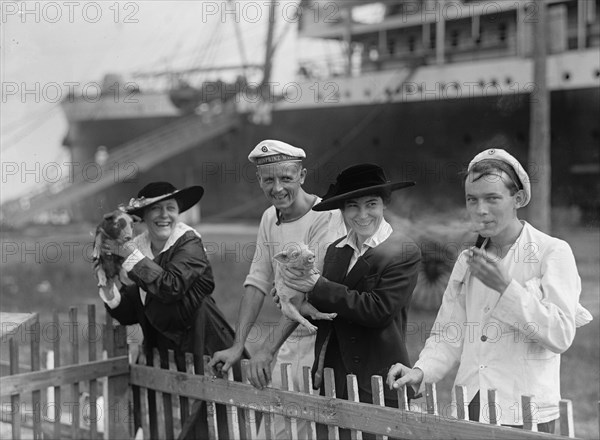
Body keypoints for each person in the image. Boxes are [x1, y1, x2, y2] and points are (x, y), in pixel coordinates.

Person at [387, 148, 592, 433]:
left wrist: (505, 287)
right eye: (472, 199)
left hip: (525, 412)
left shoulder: (552, 252)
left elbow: (560, 334)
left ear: (517, 199)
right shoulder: (467, 261)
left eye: (492, 198)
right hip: (471, 405)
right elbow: (450, 333)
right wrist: (421, 371)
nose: (480, 209)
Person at [272, 163, 421, 440]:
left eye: (371, 204)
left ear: (384, 204)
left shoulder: (403, 250)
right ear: (342, 210)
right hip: (335, 379)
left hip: (379, 380)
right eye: (352, 206)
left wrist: (318, 286)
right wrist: (299, 294)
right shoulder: (335, 250)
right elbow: (329, 304)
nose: (362, 214)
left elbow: (378, 310)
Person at [208, 139, 346, 438]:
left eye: (286, 178)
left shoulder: (327, 216)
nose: (277, 188)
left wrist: (266, 350)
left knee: (318, 429)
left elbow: (306, 293)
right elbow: (257, 281)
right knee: (276, 430)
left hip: (320, 343)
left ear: (303, 176)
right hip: (287, 342)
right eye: (268, 179)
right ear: (259, 180)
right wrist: (237, 345)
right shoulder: (269, 217)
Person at [99, 181, 244, 439]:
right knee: (164, 428)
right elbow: (133, 309)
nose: (164, 215)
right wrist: (108, 284)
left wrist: (128, 255)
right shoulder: (138, 247)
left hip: (203, 349)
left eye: (171, 208)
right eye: (156, 209)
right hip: (162, 354)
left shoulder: (188, 244)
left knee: (208, 429)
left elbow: (170, 286)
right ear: (143, 215)